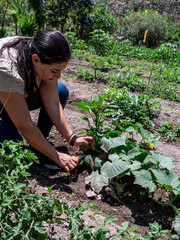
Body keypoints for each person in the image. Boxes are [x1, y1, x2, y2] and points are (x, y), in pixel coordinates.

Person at [0, 30, 94, 172]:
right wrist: (56, 156)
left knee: (61, 90)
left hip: (11, 95)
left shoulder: (38, 49)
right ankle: (39, 144)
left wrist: (72, 137)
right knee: (13, 153)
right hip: (3, 99)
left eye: (61, 70)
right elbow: (25, 125)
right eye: (54, 70)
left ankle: (39, 146)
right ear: (36, 60)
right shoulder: (7, 68)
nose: (58, 75)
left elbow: (53, 103)